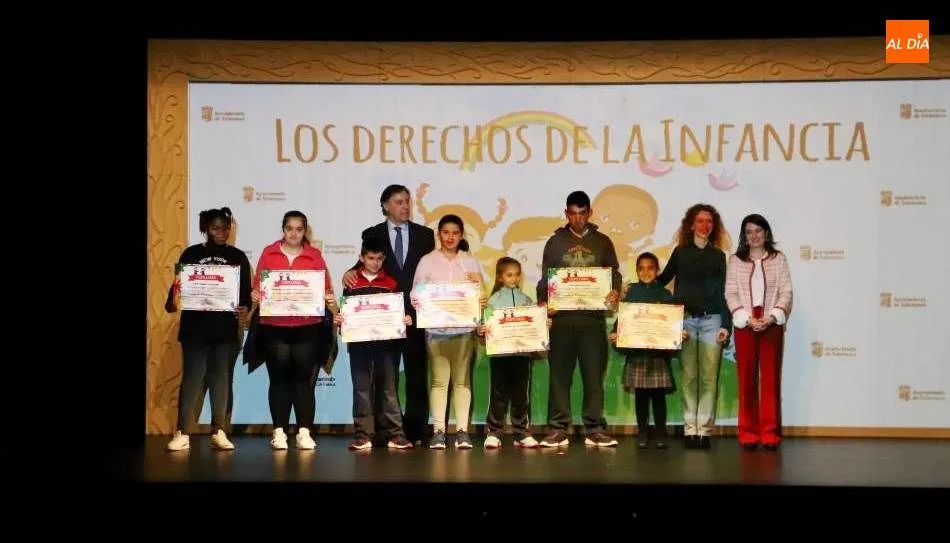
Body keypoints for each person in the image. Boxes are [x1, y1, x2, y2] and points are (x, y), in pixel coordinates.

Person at [342, 185, 435, 446]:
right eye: (398, 202)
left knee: (417, 374)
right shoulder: (372, 233)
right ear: (385, 205)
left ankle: (416, 429)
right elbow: (366, 263)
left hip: (415, 315)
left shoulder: (425, 235)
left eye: (407, 201)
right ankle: (385, 431)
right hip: (384, 320)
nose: (405, 206)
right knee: (385, 377)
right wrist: (348, 272)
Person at [536, 190, 622, 448]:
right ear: (566, 214)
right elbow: (545, 279)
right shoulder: (555, 242)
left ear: (590, 213)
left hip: (592, 321)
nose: (577, 219)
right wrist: (544, 302)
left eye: (582, 214)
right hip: (561, 322)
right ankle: (557, 428)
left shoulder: (603, 242)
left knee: (593, 377)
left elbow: (614, 274)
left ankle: (594, 428)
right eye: (572, 214)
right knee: (559, 377)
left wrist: (614, 290)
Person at [164, 207, 252, 452]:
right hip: (194, 329)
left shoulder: (237, 257)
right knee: (192, 379)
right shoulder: (191, 253)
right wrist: (173, 301)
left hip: (225, 329)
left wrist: (244, 308)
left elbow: (244, 294)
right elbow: (176, 291)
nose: (222, 233)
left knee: (222, 379)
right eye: (216, 228)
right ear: (206, 229)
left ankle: (219, 430)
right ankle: (182, 431)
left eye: (225, 228)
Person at [251, 210, 337, 450]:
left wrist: (329, 300)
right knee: (278, 379)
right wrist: (256, 295)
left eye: (299, 229)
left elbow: (326, 289)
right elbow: (258, 287)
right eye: (290, 229)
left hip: (307, 327)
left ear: (304, 231)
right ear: (283, 229)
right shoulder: (269, 253)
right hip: (274, 327)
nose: (294, 234)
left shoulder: (314, 256)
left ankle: (304, 432)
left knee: (304, 380)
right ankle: (278, 432)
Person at [655, 203, 732, 450]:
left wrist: (726, 325)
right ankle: (690, 429)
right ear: (691, 224)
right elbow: (661, 281)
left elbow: (725, 293)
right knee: (689, 377)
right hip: (685, 321)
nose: (705, 225)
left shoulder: (719, 256)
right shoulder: (680, 252)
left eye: (709, 221)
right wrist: (637, 289)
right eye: (700, 221)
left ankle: (704, 431)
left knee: (709, 378)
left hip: (713, 322)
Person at [411, 214, 486, 449]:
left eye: (455, 233)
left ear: (461, 235)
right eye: (446, 232)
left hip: (464, 330)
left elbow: (481, 297)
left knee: (463, 382)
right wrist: (421, 300)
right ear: (439, 234)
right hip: (436, 331)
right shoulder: (427, 261)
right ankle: (439, 432)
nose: (450, 237)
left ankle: (462, 431)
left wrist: (480, 293)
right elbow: (415, 293)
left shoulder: (470, 261)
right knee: (439, 382)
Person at [334, 236, 414, 451]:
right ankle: (363, 435)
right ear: (361, 258)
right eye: (370, 258)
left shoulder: (391, 283)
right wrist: (340, 319)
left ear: (384, 259)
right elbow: (345, 314)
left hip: (386, 346)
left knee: (389, 389)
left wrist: (405, 319)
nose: (375, 262)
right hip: (359, 345)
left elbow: (402, 313)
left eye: (379, 258)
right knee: (361, 389)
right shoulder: (352, 283)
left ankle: (396, 435)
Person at [725, 214, 793, 451]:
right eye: (749, 231)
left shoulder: (779, 259)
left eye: (758, 231)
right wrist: (745, 317)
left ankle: (770, 433)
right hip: (745, 324)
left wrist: (772, 316)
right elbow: (731, 293)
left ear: (766, 233)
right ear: (744, 236)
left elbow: (786, 292)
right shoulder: (735, 260)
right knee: (746, 380)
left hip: (771, 324)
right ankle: (748, 433)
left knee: (771, 379)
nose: (754, 236)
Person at [609, 252, 686, 449]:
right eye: (641, 268)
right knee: (641, 397)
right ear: (636, 271)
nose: (646, 272)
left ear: (657, 270)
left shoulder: (665, 294)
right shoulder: (631, 293)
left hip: (658, 355)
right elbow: (623, 320)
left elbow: (672, 322)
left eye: (650, 268)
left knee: (659, 397)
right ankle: (642, 433)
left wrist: (679, 333)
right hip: (638, 355)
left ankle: (660, 434)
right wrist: (615, 333)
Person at [477, 256, 548, 449]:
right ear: (500, 277)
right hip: (500, 356)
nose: (514, 279)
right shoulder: (493, 301)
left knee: (521, 396)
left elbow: (533, 325)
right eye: (509, 275)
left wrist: (543, 324)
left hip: (522, 356)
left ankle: (522, 433)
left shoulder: (526, 300)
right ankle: (494, 432)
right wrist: (481, 330)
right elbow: (484, 327)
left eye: (517, 275)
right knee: (498, 395)